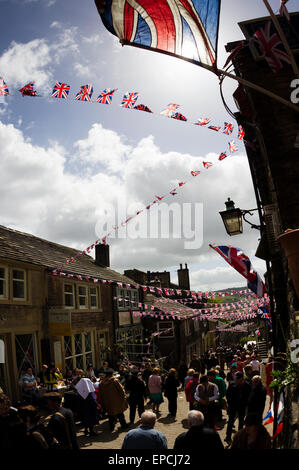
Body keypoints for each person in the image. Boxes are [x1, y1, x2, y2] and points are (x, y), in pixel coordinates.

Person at [225, 371, 251, 445]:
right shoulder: (232, 384)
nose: (235, 380)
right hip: (233, 406)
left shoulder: (247, 385)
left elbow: (249, 395)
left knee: (241, 422)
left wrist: (246, 404)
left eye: (236, 379)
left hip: (242, 406)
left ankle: (240, 437)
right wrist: (230, 403)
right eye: (235, 379)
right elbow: (227, 395)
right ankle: (228, 436)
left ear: (241, 379)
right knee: (230, 421)